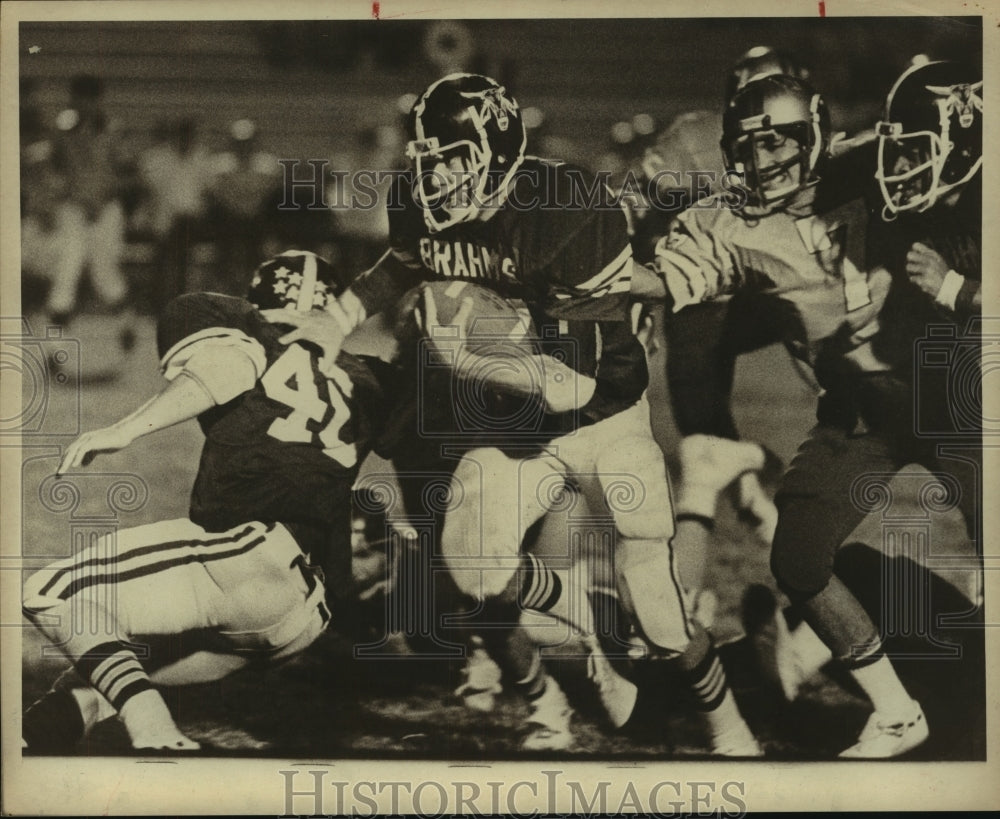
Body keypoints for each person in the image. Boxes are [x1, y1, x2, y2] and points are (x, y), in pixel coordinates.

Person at [266, 73, 764, 756]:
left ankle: (730, 727)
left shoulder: (566, 206)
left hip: (603, 413)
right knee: (471, 561)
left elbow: (566, 384)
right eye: (429, 157)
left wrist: (463, 348)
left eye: (452, 157)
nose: (434, 173)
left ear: (495, 152)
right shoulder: (419, 195)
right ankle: (587, 619)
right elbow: (406, 261)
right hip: (514, 417)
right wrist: (339, 316)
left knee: (661, 614)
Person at [637, 70, 979, 757]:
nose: (766, 163)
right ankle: (894, 711)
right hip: (862, 408)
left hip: (958, 395)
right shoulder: (745, 213)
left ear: (815, 136)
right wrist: (620, 282)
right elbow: (683, 265)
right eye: (752, 150)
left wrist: (962, 286)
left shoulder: (881, 167)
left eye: (781, 145)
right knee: (799, 553)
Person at [21, 251, 398, 753]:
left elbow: (228, 367)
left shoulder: (237, 325)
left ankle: (156, 734)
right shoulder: (372, 379)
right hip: (304, 617)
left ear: (257, 300)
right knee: (99, 679)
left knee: (52, 592)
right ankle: (29, 742)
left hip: (245, 557)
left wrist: (126, 428)